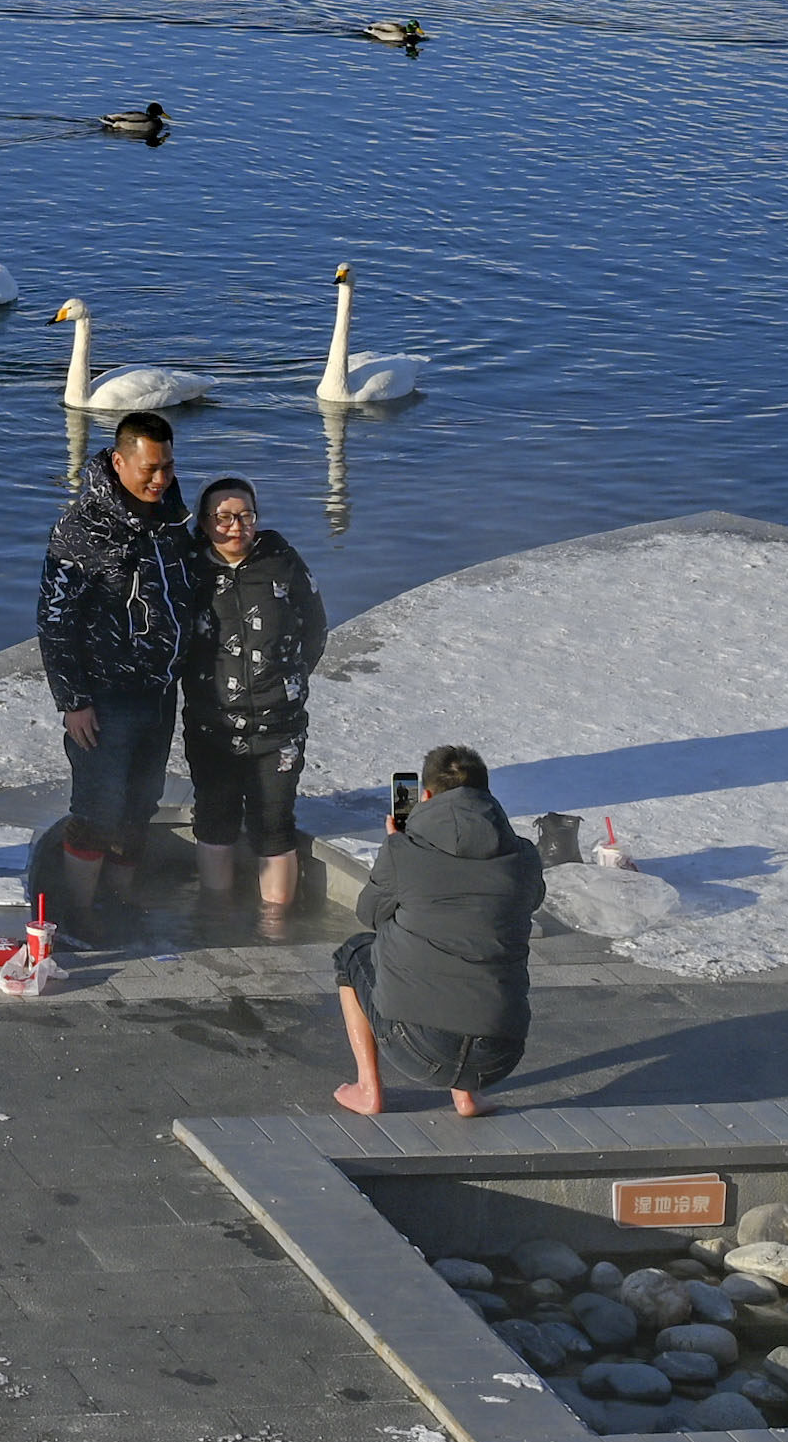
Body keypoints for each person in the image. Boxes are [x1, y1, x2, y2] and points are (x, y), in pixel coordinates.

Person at [334, 742, 542, 1116]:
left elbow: (369, 914)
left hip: (419, 1048)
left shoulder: (405, 851)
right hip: (499, 1055)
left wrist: (397, 844)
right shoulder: (523, 856)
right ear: (485, 793)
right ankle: (467, 1096)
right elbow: (532, 900)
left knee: (352, 953)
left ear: (424, 796)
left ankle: (368, 1090)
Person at [35, 411, 193, 883]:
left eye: (167, 466)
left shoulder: (171, 517)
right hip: (105, 698)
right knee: (98, 810)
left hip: (160, 691)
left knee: (140, 806)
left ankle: (122, 902)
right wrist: (74, 701)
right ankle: (83, 912)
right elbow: (54, 619)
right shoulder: (81, 528)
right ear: (119, 462)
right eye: (150, 469)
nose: (160, 479)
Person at [181, 475, 323, 913]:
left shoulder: (281, 561)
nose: (234, 526)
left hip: (279, 724)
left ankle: (275, 926)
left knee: (274, 825)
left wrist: (289, 680)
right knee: (214, 821)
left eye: (244, 516)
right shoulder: (187, 569)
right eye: (222, 517)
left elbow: (314, 626)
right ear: (204, 523)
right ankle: (217, 917)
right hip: (213, 723)